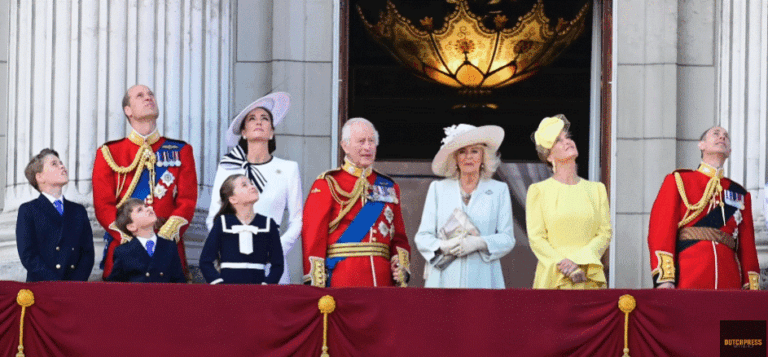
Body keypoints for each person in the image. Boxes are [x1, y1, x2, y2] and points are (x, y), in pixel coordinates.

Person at [93, 84, 198, 280]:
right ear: (128, 110)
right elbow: (103, 205)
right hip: (124, 250)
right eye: (140, 96)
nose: (148, 97)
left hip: (168, 253)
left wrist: (165, 237)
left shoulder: (181, 150)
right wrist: (130, 237)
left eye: (150, 94)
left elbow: (187, 201)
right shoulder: (109, 153)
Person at [302, 118, 411, 287]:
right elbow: (314, 237)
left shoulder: (388, 186)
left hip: (382, 281)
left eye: (371, 141)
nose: (367, 147)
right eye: (361, 141)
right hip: (342, 278)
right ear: (345, 146)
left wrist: (400, 265)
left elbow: (399, 237)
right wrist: (316, 282)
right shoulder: (327, 183)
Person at [648, 126, 760, 290]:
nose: (721, 137)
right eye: (716, 134)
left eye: (726, 136)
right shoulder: (679, 180)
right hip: (688, 276)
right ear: (701, 145)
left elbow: (747, 246)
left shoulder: (739, 194)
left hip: (729, 280)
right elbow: (661, 231)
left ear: (729, 151)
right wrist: (665, 278)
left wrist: (751, 287)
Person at [207, 92, 301, 284]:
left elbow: (297, 220)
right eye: (252, 119)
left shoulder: (288, 168)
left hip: (272, 261)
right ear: (243, 131)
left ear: (272, 131)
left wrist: (275, 249)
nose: (258, 122)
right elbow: (213, 217)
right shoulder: (228, 167)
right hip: (234, 262)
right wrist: (228, 248)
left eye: (265, 119)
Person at [414, 124, 515, 288]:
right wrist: (443, 246)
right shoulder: (438, 189)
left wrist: (478, 243)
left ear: (483, 156)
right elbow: (423, 237)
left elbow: (507, 239)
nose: (468, 157)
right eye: (462, 151)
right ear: (455, 158)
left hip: (484, 280)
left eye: (474, 151)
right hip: (443, 280)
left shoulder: (498, 190)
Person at [526, 115, 611, 289]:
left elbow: (605, 233)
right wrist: (564, 264)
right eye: (558, 140)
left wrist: (579, 261)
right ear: (550, 156)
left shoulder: (597, 189)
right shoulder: (538, 191)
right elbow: (537, 239)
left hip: (588, 275)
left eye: (567, 137)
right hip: (553, 277)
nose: (567, 142)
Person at [16, 149, 95, 282]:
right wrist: (55, 283)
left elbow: (87, 253)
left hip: (74, 288)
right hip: (43, 288)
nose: (62, 166)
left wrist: (74, 284)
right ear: (39, 177)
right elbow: (28, 255)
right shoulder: (28, 210)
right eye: (54, 164)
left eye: (61, 163)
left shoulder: (78, 210)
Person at [200, 174, 283, 284]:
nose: (252, 186)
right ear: (233, 199)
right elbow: (205, 261)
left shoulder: (268, 224)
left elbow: (278, 264)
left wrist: (266, 286)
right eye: (245, 185)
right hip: (228, 291)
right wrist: (218, 284)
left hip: (258, 291)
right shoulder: (223, 222)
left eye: (251, 184)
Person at [106, 198, 186, 283]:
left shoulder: (169, 246)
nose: (149, 208)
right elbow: (115, 286)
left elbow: (179, 282)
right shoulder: (123, 252)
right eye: (140, 210)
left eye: (146, 206)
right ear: (131, 226)